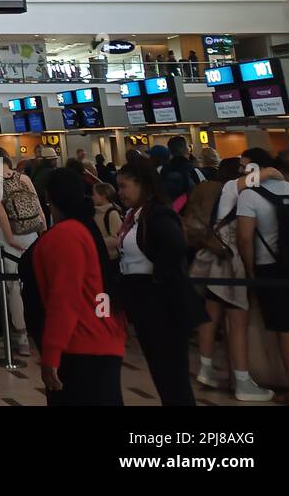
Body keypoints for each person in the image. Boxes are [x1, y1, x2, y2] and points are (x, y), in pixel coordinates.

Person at [34, 168, 126, 406]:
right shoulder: (87, 228)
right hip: (103, 342)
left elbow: (65, 298)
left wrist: (51, 353)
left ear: (48, 197)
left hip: (80, 348)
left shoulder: (65, 235)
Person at [116, 161, 201, 406]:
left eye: (124, 186)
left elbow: (174, 248)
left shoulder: (157, 213)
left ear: (143, 185)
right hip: (147, 306)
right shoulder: (135, 215)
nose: (120, 192)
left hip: (162, 307)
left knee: (172, 377)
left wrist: (155, 281)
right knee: (162, 375)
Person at [190, 154, 273, 401]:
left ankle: (206, 368)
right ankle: (242, 380)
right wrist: (274, 172)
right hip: (231, 261)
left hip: (213, 257)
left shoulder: (220, 190)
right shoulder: (235, 189)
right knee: (238, 321)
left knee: (211, 314)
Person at [236, 148, 289, 406]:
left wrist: (251, 271)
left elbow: (244, 239)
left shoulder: (250, 196)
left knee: (285, 333)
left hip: (270, 269)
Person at [0, 147, 44, 356]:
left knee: (13, 286)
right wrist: (43, 231)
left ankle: (21, 336)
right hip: (31, 235)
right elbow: (38, 205)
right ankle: (37, 327)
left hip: (8, 239)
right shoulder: (24, 178)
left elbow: (2, 215)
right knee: (33, 282)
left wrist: (11, 239)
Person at [161, 136, 203, 202]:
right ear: (185, 149)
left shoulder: (164, 169)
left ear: (170, 150)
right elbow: (200, 190)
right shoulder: (191, 169)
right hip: (188, 207)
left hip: (170, 207)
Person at [91, 182, 124, 261]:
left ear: (103, 196)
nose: (92, 197)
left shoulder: (112, 214)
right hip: (98, 256)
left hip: (110, 258)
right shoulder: (93, 212)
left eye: (94, 194)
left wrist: (95, 241)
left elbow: (117, 239)